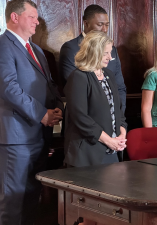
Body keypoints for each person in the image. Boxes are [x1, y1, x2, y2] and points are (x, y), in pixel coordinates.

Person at [0, 0, 63, 224]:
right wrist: (41, 113)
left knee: (31, 200)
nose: (37, 21)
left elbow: (49, 84)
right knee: (13, 203)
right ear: (14, 17)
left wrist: (57, 108)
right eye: (32, 16)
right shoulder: (3, 45)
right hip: (16, 138)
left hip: (39, 135)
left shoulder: (36, 49)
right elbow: (9, 87)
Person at [64, 30, 127, 167]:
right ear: (93, 51)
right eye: (105, 53)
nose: (110, 57)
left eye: (110, 53)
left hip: (113, 151)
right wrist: (108, 141)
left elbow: (118, 110)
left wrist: (122, 133)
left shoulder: (109, 74)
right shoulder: (79, 77)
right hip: (88, 155)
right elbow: (80, 117)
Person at [59, 4, 126, 113]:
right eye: (100, 25)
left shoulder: (112, 50)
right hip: (86, 117)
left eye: (107, 25)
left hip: (112, 118)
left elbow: (120, 88)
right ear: (86, 23)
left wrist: (119, 116)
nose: (104, 29)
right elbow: (74, 88)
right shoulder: (71, 48)